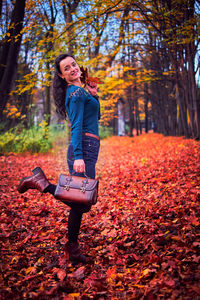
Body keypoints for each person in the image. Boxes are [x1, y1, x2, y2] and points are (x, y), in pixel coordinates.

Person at [17, 53, 101, 264]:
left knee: (82, 200)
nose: (73, 69)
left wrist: (94, 94)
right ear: (62, 76)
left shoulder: (81, 92)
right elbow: (76, 126)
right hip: (83, 148)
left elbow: (94, 118)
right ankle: (42, 184)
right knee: (81, 201)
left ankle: (72, 248)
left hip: (89, 147)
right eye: (67, 68)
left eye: (74, 64)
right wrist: (79, 157)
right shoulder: (75, 94)